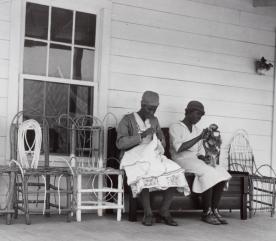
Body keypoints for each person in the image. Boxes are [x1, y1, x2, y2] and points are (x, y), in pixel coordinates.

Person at [116, 91, 189, 226]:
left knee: (176, 170)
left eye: (155, 109)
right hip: (133, 156)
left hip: (153, 155)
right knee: (144, 171)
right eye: (149, 108)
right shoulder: (127, 120)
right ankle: (148, 213)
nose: (152, 112)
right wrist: (142, 135)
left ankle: (164, 211)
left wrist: (160, 139)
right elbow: (120, 143)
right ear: (142, 105)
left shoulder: (154, 120)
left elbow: (163, 143)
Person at [169, 100, 231, 225]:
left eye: (201, 116)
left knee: (221, 171)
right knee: (207, 172)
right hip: (181, 160)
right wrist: (199, 137)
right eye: (197, 114)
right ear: (187, 112)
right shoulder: (175, 126)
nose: (199, 118)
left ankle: (214, 209)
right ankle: (206, 212)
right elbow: (179, 148)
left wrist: (204, 158)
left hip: (194, 161)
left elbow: (198, 152)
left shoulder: (197, 130)